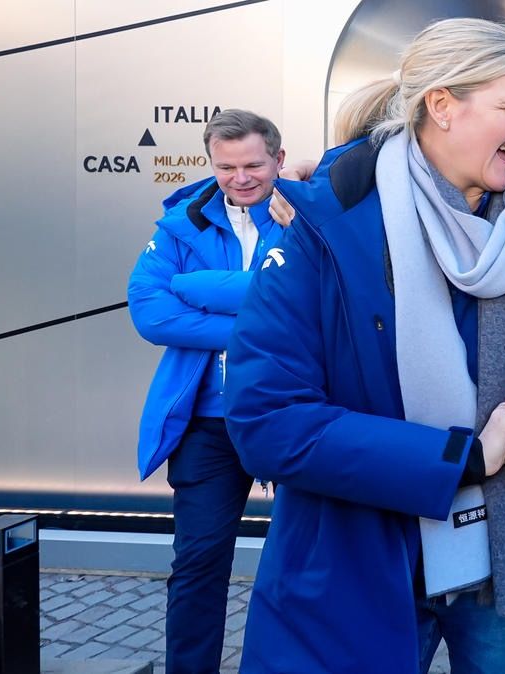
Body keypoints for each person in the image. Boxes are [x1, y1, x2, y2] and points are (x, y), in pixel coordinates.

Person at [221, 18, 505, 674]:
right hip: (357, 563)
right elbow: (267, 420)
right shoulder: (325, 225)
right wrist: (462, 458)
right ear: (442, 105)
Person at [126, 109, 286, 674]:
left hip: (290, 416)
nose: (240, 178)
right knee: (197, 565)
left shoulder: (305, 217)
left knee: (300, 566)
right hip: (207, 425)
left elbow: (309, 301)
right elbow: (151, 313)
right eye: (226, 167)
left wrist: (193, 288)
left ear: (278, 159)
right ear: (210, 163)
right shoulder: (180, 224)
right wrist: (259, 325)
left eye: (253, 165)